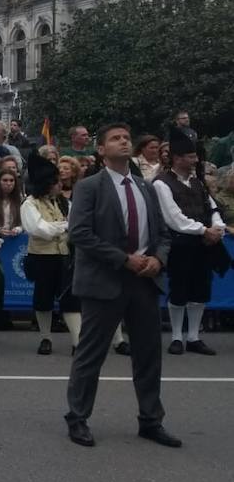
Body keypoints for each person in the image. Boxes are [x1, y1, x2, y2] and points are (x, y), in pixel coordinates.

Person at [64, 122, 178, 449]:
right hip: (105, 281)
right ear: (101, 150)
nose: (124, 142)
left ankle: (150, 420)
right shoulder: (90, 187)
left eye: (127, 138)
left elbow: (163, 235)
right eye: (115, 139)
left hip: (144, 282)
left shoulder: (146, 187)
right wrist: (123, 259)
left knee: (148, 355)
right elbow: (80, 234)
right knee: (91, 354)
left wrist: (158, 259)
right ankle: (77, 417)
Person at [153, 129, 225, 356]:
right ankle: (176, 337)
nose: (195, 160)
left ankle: (193, 337)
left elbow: (211, 207)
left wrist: (217, 227)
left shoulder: (198, 182)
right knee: (179, 290)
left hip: (203, 244)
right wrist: (204, 230)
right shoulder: (161, 184)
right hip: (180, 244)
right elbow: (173, 218)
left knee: (200, 290)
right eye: (190, 156)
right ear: (177, 158)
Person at [21, 151, 81, 355]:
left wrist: (59, 226)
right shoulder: (29, 203)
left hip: (64, 256)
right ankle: (45, 338)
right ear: (45, 184)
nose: (59, 185)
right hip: (41, 257)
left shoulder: (64, 202)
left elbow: (75, 224)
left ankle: (77, 342)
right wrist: (63, 226)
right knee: (43, 299)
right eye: (55, 182)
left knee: (70, 299)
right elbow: (39, 230)